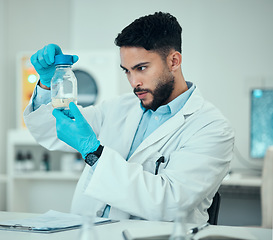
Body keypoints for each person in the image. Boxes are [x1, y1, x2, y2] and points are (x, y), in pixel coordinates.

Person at [24, 12, 234, 223]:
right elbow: (52, 132)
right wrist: (47, 84)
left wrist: (93, 153)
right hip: (88, 231)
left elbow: (171, 203)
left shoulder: (212, 128)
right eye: (127, 71)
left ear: (174, 61)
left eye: (141, 68)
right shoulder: (119, 107)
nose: (134, 82)